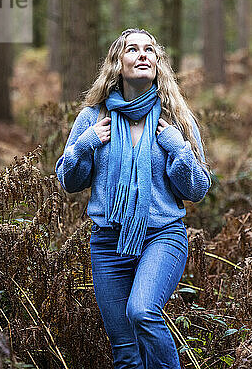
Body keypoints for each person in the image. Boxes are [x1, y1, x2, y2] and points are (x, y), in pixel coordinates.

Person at [55, 28, 211, 368]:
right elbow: (68, 181)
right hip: (108, 243)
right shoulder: (93, 117)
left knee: (142, 311)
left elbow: (198, 189)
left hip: (162, 235)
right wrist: (85, 145)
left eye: (150, 50)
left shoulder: (177, 120)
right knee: (125, 351)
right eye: (133, 49)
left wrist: (178, 149)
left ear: (158, 63)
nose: (143, 55)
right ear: (117, 63)